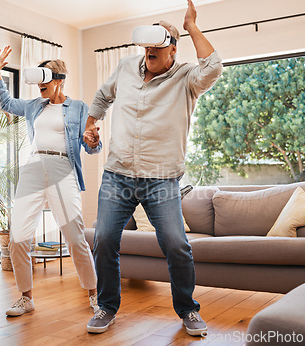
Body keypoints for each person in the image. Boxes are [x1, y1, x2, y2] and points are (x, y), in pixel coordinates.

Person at [82, 0, 223, 336]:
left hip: (162, 179)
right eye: (146, 45)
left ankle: (188, 310)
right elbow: (102, 96)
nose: (149, 50)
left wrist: (190, 25)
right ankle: (107, 307)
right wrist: (90, 125)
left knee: (176, 243)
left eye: (157, 44)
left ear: (172, 49)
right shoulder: (127, 66)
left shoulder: (188, 76)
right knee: (103, 239)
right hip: (118, 174)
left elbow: (214, 66)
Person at [0, 46, 102, 317]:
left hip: (62, 168)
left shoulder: (78, 107)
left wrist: (93, 140)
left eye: (47, 78)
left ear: (59, 81)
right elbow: (7, 103)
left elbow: (90, 146)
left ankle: (95, 295)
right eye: (39, 79)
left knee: (75, 238)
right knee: (18, 238)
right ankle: (26, 297)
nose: (41, 84)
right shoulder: (33, 106)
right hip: (32, 168)